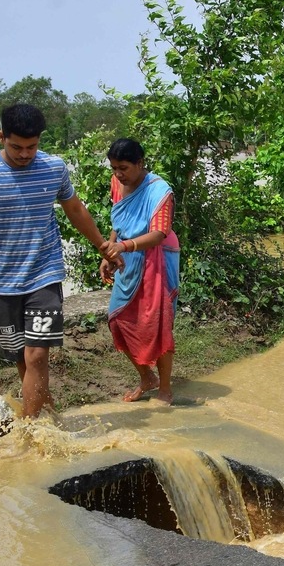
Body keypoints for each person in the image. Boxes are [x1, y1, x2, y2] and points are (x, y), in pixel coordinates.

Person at [0, 104, 119, 419]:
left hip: (44, 276)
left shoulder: (53, 168)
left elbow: (74, 209)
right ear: (1, 136)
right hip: (2, 285)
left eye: (32, 146)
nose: (25, 154)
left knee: (37, 355)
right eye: (17, 146)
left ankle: (31, 434)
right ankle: (47, 414)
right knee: (20, 357)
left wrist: (102, 246)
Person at [99, 138, 180, 404]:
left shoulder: (159, 191)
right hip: (127, 257)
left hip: (158, 259)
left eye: (123, 167)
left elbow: (158, 234)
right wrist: (110, 251)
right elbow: (118, 219)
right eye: (114, 168)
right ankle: (147, 378)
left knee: (159, 324)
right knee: (118, 320)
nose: (118, 174)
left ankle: (164, 389)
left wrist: (123, 247)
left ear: (140, 163)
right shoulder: (117, 184)